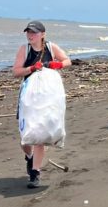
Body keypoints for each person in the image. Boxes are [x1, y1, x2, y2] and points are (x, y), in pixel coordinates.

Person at [12, 20, 71, 187]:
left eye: (34, 33)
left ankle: (35, 172)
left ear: (42, 34)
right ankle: (29, 157)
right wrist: (31, 68)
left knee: (40, 133)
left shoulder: (51, 47)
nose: (30, 35)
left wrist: (57, 64)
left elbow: (67, 60)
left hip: (47, 97)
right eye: (28, 33)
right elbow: (16, 71)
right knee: (26, 137)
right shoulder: (25, 50)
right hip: (29, 98)